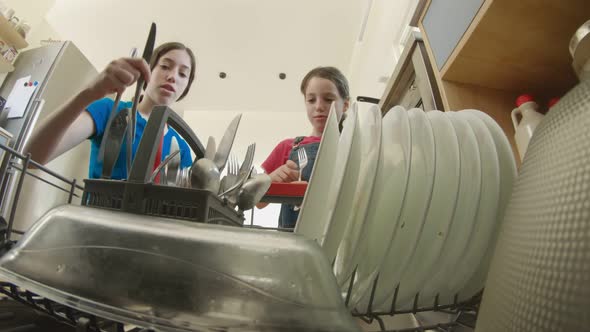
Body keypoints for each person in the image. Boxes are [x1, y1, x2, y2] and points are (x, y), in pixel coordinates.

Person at [24, 42, 197, 179]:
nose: (172, 76)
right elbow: (32, 157)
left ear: (186, 88)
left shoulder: (181, 147)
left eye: (183, 74)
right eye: (165, 66)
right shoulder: (110, 110)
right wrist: (89, 93)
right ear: (148, 71)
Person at [259, 66, 350, 228]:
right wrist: (271, 180)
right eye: (311, 100)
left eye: (328, 99)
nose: (319, 106)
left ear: (345, 105)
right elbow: (257, 203)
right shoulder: (287, 147)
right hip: (290, 244)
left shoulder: (353, 148)